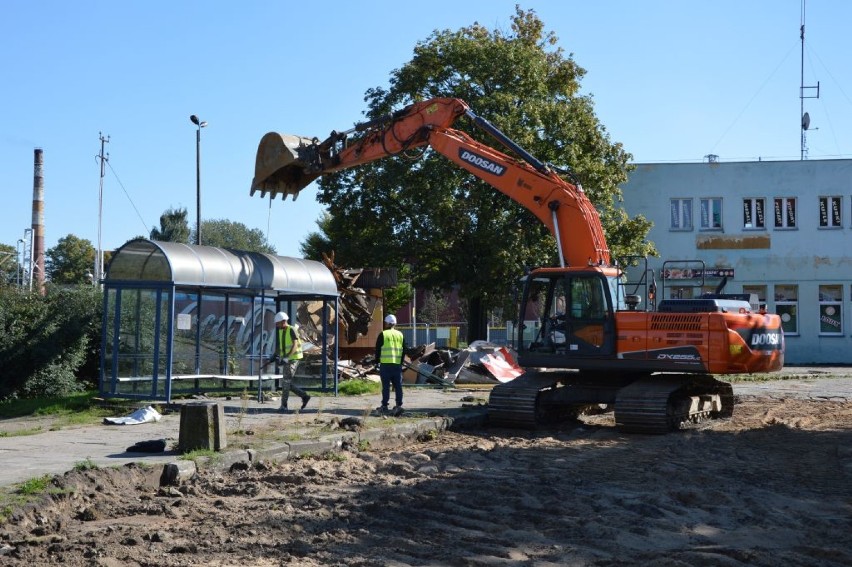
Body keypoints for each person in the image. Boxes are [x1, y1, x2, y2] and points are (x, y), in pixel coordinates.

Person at [272, 311, 311, 413]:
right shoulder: (281, 331)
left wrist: (287, 357)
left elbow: (294, 345)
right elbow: (281, 346)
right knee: (286, 382)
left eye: (278, 323)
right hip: (288, 358)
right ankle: (304, 396)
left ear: (283, 321)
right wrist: (275, 355)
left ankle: (284, 406)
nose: (276, 325)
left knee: (286, 382)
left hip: (294, 358)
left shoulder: (292, 329)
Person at [375, 313, 406, 416]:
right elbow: (404, 350)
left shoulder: (383, 334)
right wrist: (401, 362)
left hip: (385, 365)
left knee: (386, 386)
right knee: (398, 386)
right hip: (397, 365)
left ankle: (384, 406)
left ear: (387, 323)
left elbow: (378, 350)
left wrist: (376, 361)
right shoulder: (400, 335)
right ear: (395, 324)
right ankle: (399, 405)